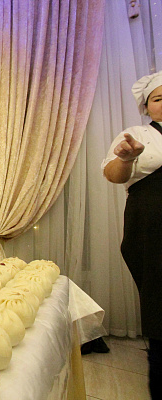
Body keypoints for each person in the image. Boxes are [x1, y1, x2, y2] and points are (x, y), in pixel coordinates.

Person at [102, 70, 162, 398]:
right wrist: (126, 159)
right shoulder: (137, 134)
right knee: (159, 301)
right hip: (151, 227)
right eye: (158, 98)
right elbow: (113, 175)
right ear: (146, 107)